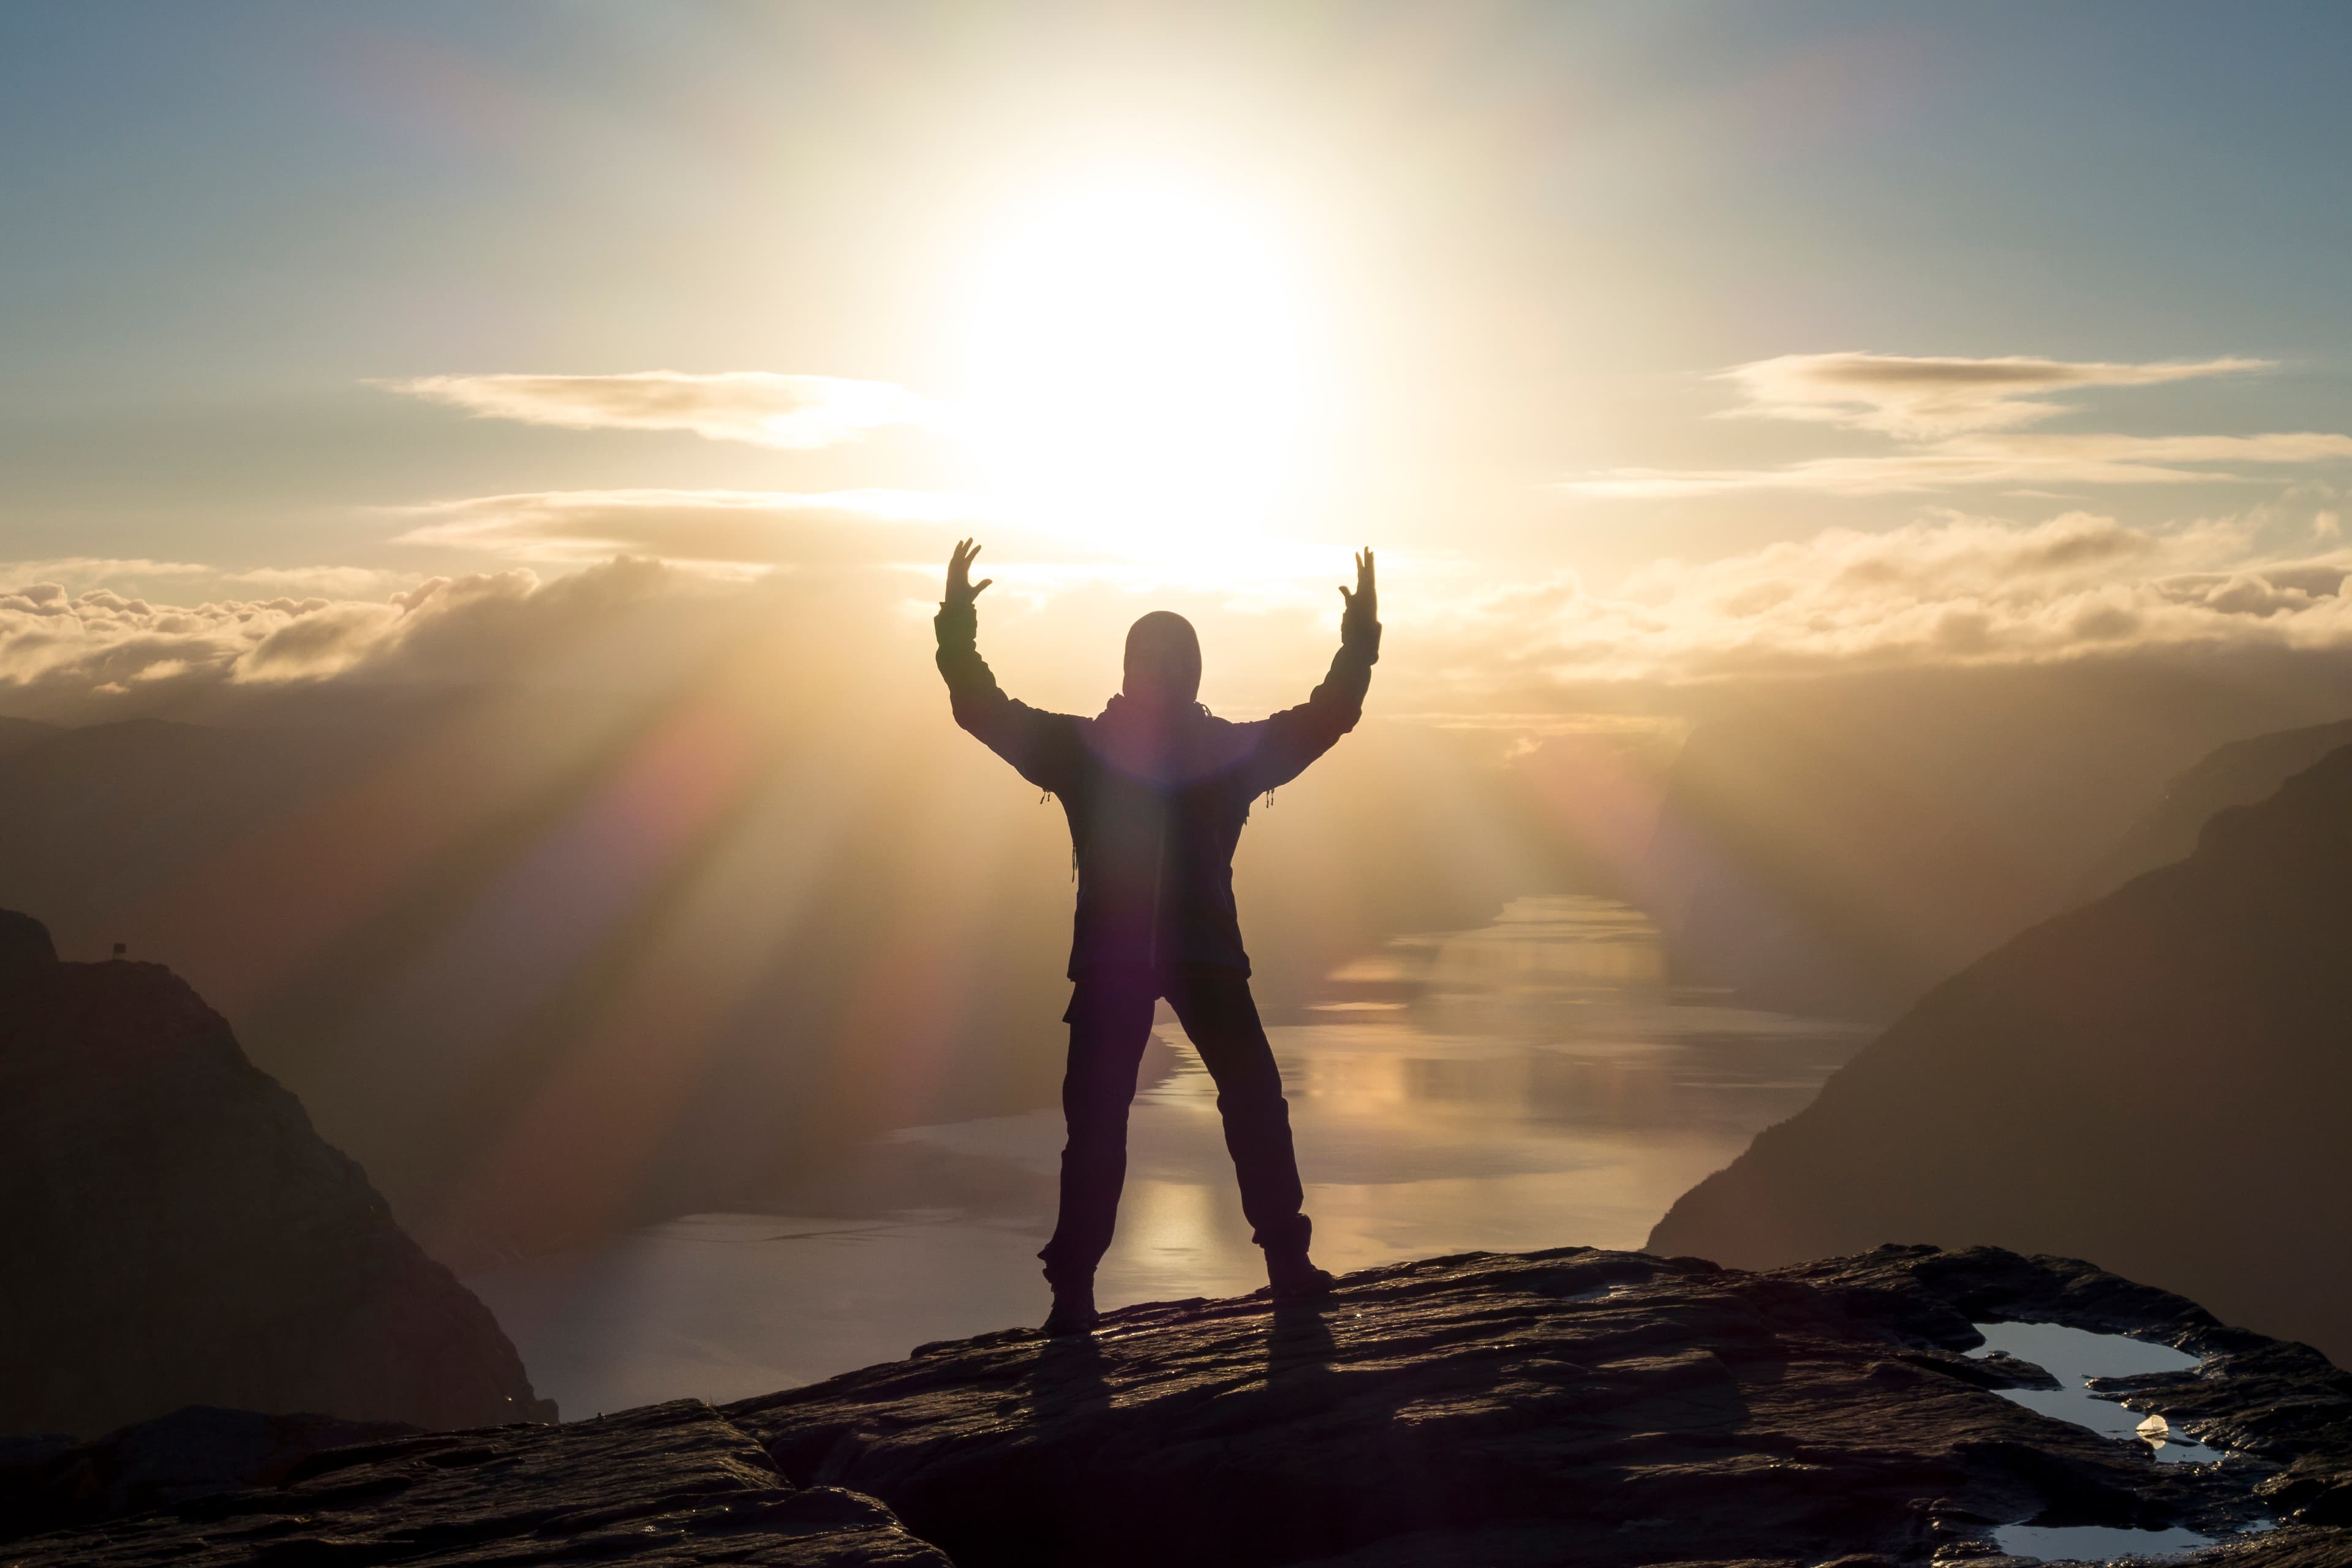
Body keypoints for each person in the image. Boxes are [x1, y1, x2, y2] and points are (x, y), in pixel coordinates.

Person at [935, 538, 1381, 1335]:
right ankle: (1075, 1293)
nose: (1166, 672)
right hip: (1142, 961)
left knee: (1247, 1106)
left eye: (1177, 660)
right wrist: (958, 624)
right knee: (1106, 1128)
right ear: (1132, 667)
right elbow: (980, 709)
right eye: (1155, 658)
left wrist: (1359, 642)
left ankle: (1283, 1266)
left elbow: (1329, 718)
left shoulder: (1189, 752)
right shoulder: (1098, 750)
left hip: (1189, 956)